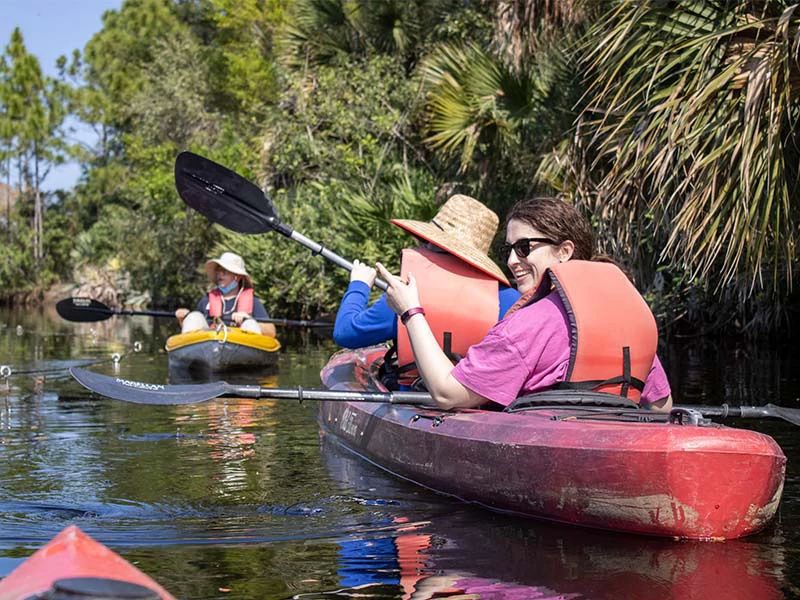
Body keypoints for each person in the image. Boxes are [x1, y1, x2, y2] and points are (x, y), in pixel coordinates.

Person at [375, 197, 672, 412]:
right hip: (610, 443)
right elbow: (661, 406)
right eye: (509, 249)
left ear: (564, 251)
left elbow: (446, 393)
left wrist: (410, 311)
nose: (511, 261)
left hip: (551, 450)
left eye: (524, 248)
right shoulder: (625, 319)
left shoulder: (528, 324)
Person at [333, 195, 520, 382]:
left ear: (432, 245)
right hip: (481, 401)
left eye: (423, 241)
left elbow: (345, 333)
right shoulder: (512, 300)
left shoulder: (406, 295)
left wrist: (359, 284)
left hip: (416, 396)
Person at [175, 252, 277, 338]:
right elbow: (193, 328)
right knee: (194, 317)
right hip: (210, 342)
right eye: (219, 271)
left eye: (225, 271)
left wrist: (248, 318)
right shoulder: (206, 300)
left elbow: (271, 331)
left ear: (237, 277)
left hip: (240, 344)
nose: (220, 274)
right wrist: (184, 318)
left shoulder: (254, 302)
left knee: (250, 323)